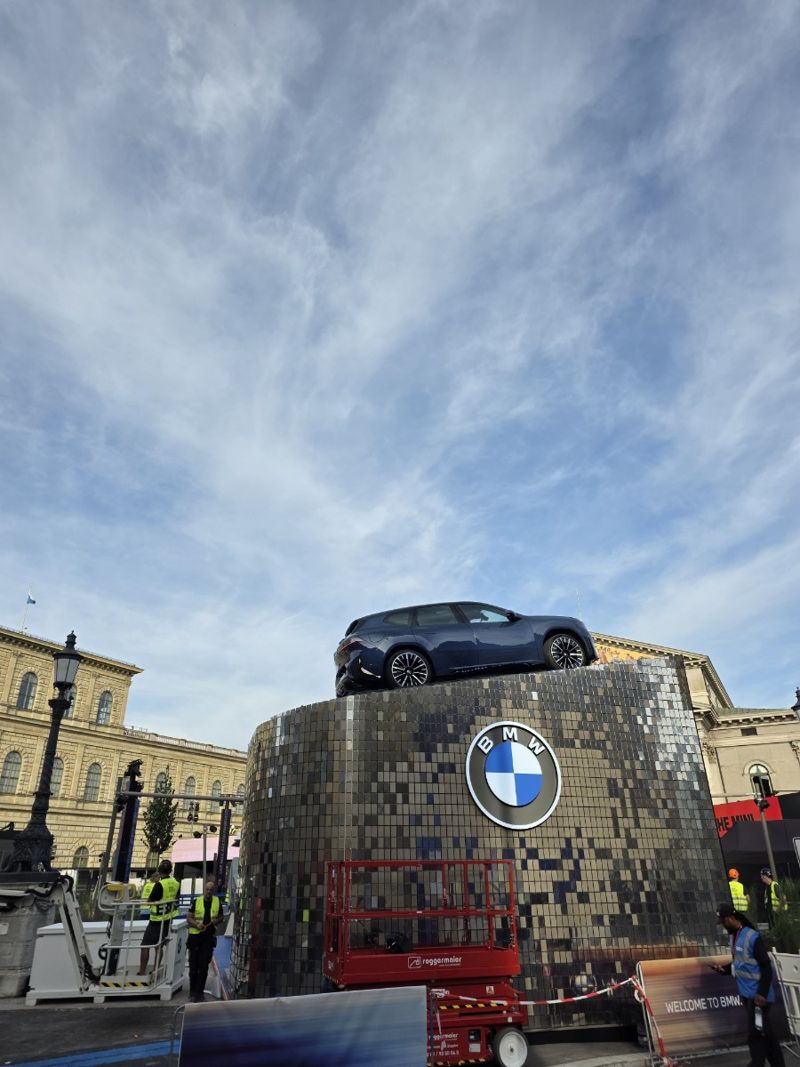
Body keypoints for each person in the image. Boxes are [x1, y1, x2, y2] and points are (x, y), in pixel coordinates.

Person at [712, 902, 785, 1067]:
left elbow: (766, 966)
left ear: (730, 918)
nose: (722, 925)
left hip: (758, 999)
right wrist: (723, 970)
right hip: (748, 996)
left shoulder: (752, 937)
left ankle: (756, 1063)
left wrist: (761, 993)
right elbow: (740, 964)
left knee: (756, 1034)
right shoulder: (734, 937)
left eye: (723, 921)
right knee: (767, 1035)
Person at [186, 878, 226, 1002]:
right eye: (207, 889)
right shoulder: (196, 901)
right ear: (204, 890)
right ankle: (192, 992)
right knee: (193, 966)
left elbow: (221, 917)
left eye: (211, 890)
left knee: (203, 967)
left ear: (213, 891)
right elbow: (189, 917)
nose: (208, 892)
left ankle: (200, 992)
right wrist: (196, 924)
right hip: (195, 937)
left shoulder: (217, 902)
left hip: (208, 938)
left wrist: (216, 921)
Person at [139, 859, 180, 976]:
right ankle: (155, 971)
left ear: (159, 870)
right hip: (168, 919)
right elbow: (175, 898)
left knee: (145, 945)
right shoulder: (176, 883)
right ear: (170, 870)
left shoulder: (159, 885)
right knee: (159, 946)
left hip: (156, 920)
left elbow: (150, 901)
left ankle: (142, 972)